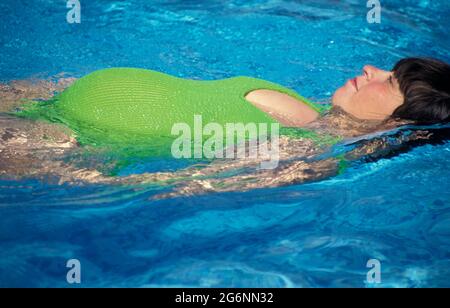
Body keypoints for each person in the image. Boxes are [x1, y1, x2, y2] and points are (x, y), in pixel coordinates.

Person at [1, 57, 449, 197]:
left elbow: (180, 184)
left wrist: (84, 174)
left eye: (388, 81)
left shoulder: (308, 156)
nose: (369, 68)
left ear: (400, 119)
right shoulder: (319, 110)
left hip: (60, 140)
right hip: (48, 95)